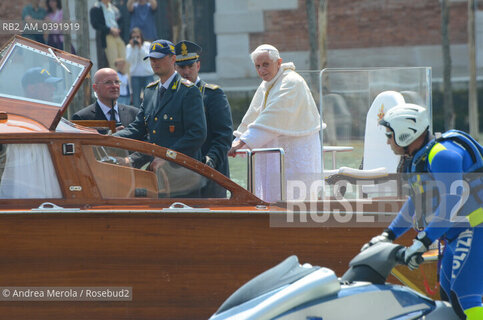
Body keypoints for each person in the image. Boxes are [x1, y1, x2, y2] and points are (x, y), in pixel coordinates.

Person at [361, 104, 482, 320]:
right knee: (447, 297)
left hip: (475, 230)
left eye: (390, 135)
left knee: (465, 299)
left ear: (405, 133)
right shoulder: (421, 158)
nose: (388, 141)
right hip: (458, 234)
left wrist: (423, 241)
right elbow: (417, 204)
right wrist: (388, 235)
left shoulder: (443, 156)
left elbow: (450, 205)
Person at [228, 44, 322, 202]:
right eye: (257, 66)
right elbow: (254, 114)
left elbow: (274, 114)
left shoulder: (291, 82)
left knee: (294, 198)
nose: (261, 70)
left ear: (279, 62)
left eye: (265, 65)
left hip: (294, 152)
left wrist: (244, 141)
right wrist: (238, 138)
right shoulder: (267, 84)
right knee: (272, 196)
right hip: (275, 152)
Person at [114, 39, 206, 168]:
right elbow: (138, 127)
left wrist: (168, 158)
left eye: (159, 58)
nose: (154, 62)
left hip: (182, 170)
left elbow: (196, 134)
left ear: (173, 59)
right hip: (157, 168)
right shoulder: (150, 91)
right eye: (151, 59)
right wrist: (109, 139)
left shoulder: (188, 91)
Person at [175, 40, 233, 198]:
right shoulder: (171, 97)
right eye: (181, 67)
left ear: (198, 66)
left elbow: (224, 135)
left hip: (211, 174)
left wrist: (211, 160)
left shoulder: (212, 95)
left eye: (190, 66)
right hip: (179, 175)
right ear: (175, 68)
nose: (186, 71)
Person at [72, 68, 138, 133]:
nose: (114, 86)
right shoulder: (82, 118)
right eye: (108, 82)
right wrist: (108, 137)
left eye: (117, 82)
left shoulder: (134, 114)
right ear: (95, 87)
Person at [90, 0, 126, 69]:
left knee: (124, 59)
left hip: (118, 35)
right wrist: (109, 30)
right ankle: (115, 79)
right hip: (106, 36)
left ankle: (125, 79)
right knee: (113, 62)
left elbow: (121, 20)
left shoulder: (114, 8)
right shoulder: (96, 8)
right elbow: (95, 24)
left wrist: (119, 30)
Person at [126, 27, 154, 108]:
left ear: (141, 37)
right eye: (133, 37)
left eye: (137, 37)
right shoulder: (129, 47)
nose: (135, 39)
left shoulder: (147, 45)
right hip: (135, 75)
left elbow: (147, 57)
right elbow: (128, 60)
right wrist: (132, 48)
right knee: (136, 99)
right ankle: (136, 116)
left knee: (149, 96)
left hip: (147, 74)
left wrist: (140, 47)